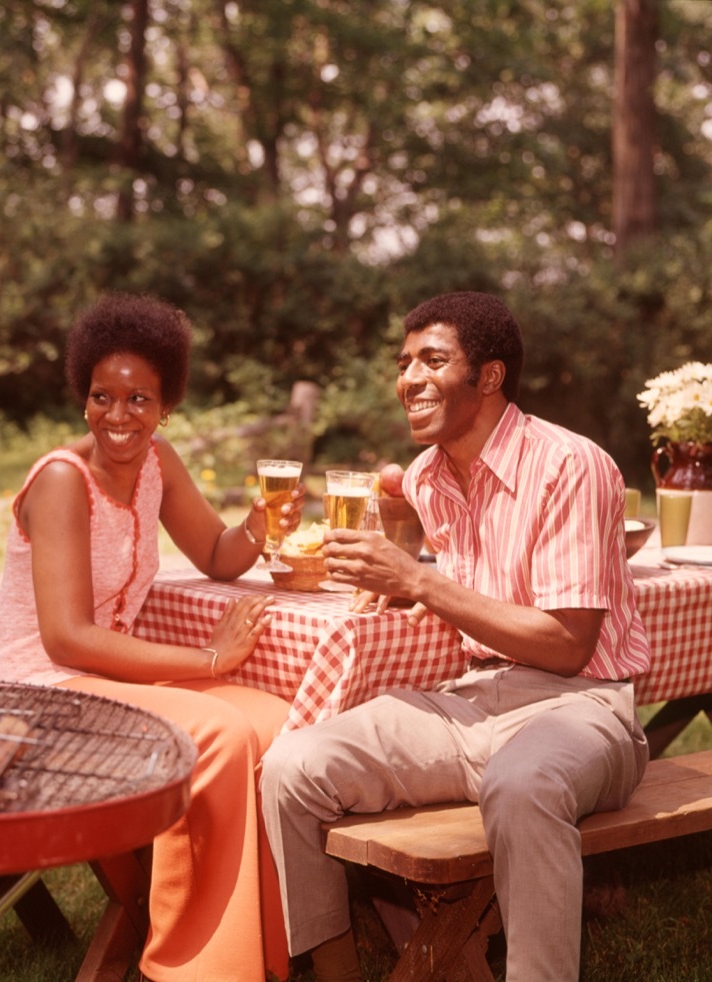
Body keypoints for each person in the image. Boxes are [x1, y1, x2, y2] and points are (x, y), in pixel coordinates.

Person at [258, 291, 651, 982]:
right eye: (403, 362)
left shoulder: (569, 465)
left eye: (432, 360)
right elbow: (449, 569)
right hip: (470, 700)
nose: (408, 378)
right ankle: (335, 972)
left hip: (581, 707)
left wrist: (419, 582)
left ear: (490, 376)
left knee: (523, 783)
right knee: (291, 767)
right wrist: (401, 571)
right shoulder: (426, 476)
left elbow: (568, 643)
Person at [0, 292, 301, 982]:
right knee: (216, 732)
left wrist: (259, 525)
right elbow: (66, 640)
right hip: (31, 692)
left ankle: (258, 950)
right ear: (82, 395)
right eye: (102, 397)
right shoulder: (63, 481)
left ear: (165, 405)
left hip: (101, 681)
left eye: (139, 400)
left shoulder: (157, 463)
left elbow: (215, 551)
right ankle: (188, 965)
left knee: (275, 720)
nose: (119, 417)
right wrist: (209, 659)